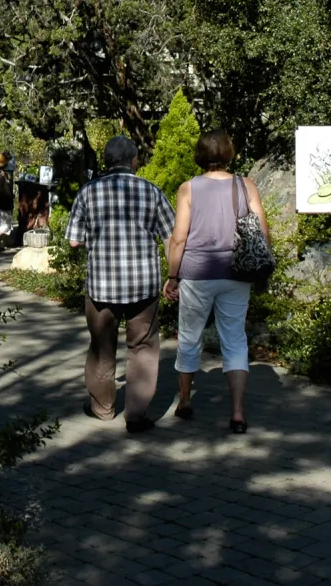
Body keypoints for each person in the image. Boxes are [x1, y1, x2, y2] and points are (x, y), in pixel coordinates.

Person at [66, 136, 175, 433]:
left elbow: (74, 241)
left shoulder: (88, 193)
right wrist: (174, 276)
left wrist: (95, 237)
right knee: (142, 347)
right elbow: (171, 239)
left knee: (102, 348)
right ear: (134, 160)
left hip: (101, 287)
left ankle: (102, 408)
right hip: (143, 288)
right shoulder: (152, 192)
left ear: (106, 160)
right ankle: (136, 416)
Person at [163, 129, 267, 433]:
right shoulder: (245, 185)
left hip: (196, 274)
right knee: (234, 339)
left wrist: (172, 276)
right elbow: (261, 228)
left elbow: (179, 238)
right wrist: (261, 266)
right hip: (236, 272)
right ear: (229, 152)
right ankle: (236, 413)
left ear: (200, 154)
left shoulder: (188, 188)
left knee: (189, 336)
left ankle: (184, 402)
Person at [0, 153, 17, 250]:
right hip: (3, 200)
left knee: (1, 223)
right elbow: (3, 189)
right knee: (6, 225)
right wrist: (10, 195)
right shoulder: (2, 175)